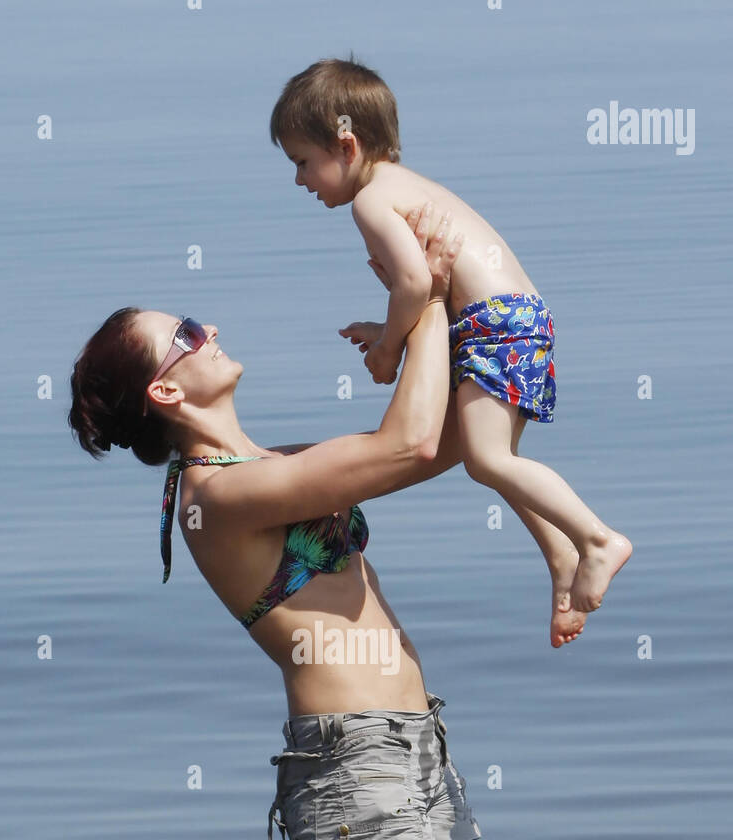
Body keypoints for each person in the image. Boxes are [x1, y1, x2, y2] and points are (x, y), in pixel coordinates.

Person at [68, 205, 482, 840]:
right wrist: (418, 305)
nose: (209, 330)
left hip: (414, 739)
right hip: (353, 758)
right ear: (168, 389)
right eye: (188, 334)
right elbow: (409, 444)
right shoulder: (216, 495)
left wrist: (476, 324)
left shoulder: (266, 466)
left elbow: (444, 444)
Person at [270, 56, 634, 648]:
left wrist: (389, 350)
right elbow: (424, 288)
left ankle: (597, 539)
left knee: (487, 460)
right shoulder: (402, 183)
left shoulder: (370, 203)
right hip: (506, 319)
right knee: (497, 459)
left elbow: (415, 285)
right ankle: (560, 561)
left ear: (346, 144)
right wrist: (382, 324)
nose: (299, 180)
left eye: (302, 162)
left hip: (495, 326)